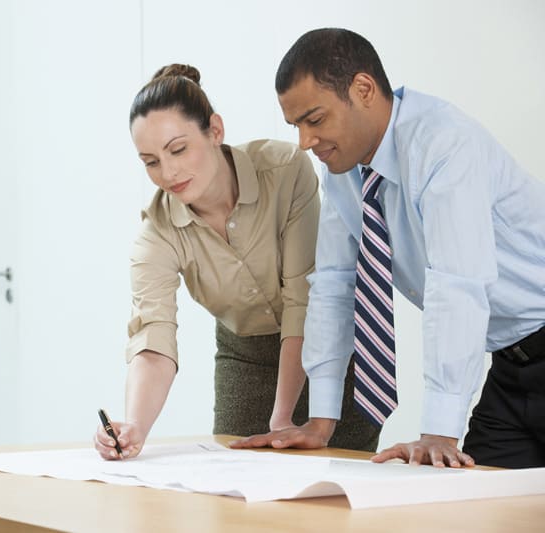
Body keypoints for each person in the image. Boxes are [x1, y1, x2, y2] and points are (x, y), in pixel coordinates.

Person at [231, 28, 545, 469]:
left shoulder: (444, 144)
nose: (304, 141)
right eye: (296, 125)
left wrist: (437, 432)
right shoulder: (344, 170)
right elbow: (336, 284)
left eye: (315, 120)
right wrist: (320, 422)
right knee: (471, 505)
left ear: (363, 89)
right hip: (511, 369)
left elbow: (456, 284)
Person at [94, 64, 380, 460]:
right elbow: (153, 339)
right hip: (244, 357)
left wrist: (280, 421)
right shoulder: (156, 233)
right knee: (235, 494)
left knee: (336, 497)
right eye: (151, 161)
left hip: (328, 348)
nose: (168, 172)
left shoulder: (283, 170)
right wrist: (134, 426)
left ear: (215, 130)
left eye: (178, 149)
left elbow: (303, 300)